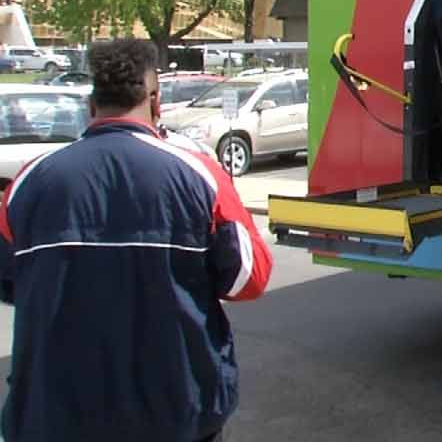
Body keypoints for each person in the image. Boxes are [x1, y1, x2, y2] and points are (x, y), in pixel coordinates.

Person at [0, 39, 273, 442]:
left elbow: (10, 282)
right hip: (177, 410)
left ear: (91, 105)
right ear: (156, 101)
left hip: (54, 413)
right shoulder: (200, 176)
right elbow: (248, 279)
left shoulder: (28, 183)